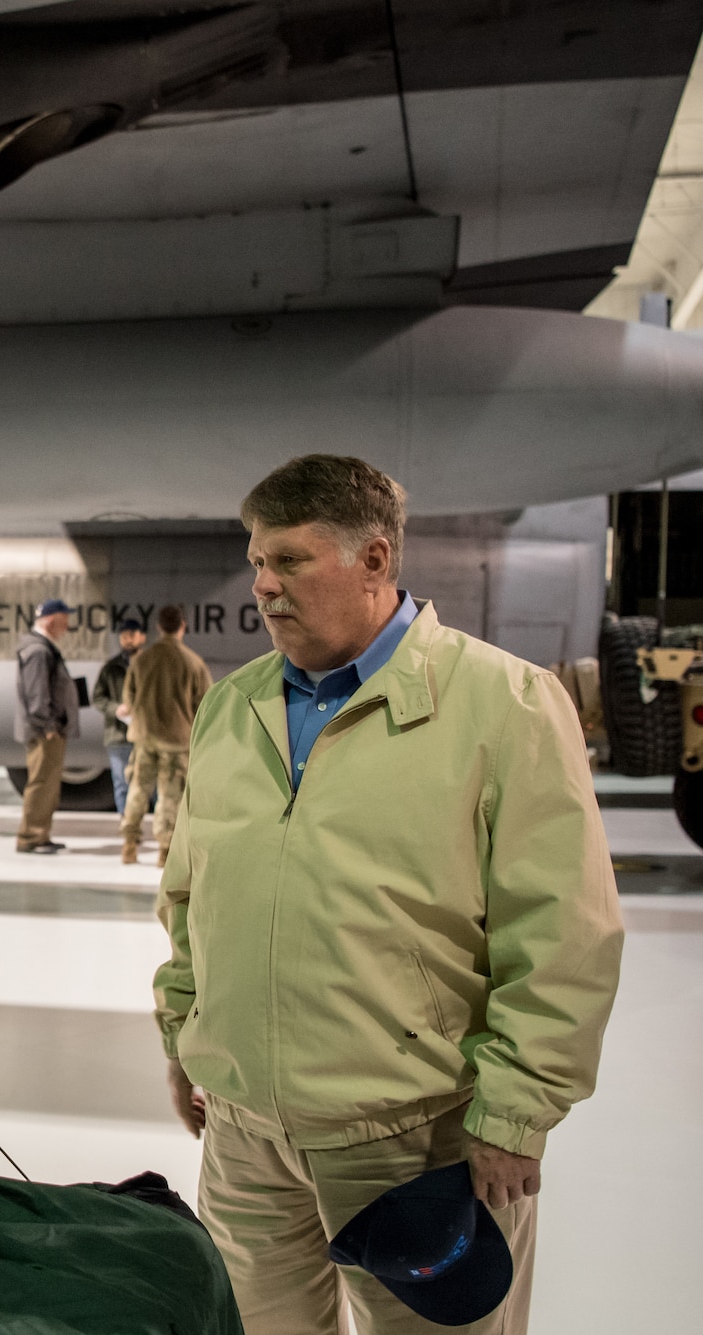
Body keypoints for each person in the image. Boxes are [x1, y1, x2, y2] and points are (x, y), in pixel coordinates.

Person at [154, 455, 623, 1335]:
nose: (262, 585)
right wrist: (185, 1033)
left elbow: (564, 932)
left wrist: (516, 1110)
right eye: (257, 559)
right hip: (247, 1143)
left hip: (416, 1144)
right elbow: (189, 897)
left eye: (290, 560)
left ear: (375, 561)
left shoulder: (505, 704)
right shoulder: (231, 708)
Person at [118, 605, 212, 867]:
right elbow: (204, 705)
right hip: (177, 741)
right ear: (182, 626)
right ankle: (165, 850)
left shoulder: (141, 660)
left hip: (145, 738)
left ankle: (129, 845)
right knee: (170, 796)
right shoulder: (193, 663)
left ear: (158, 627)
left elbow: (129, 699)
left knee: (137, 790)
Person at [12, 597, 78, 854]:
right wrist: (48, 725)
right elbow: (36, 694)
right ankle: (30, 836)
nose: (67, 625)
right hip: (44, 732)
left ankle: (40, 834)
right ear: (52, 620)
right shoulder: (39, 651)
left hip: (47, 730)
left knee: (48, 785)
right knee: (41, 784)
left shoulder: (42, 648)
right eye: (65, 619)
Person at [91, 618, 146, 814]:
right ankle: (126, 823)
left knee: (147, 781)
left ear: (142, 637)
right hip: (118, 734)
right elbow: (98, 697)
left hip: (145, 733)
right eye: (123, 637)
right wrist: (116, 708)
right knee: (121, 781)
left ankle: (145, 822)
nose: (127, 640)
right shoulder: (111, 667)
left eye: (131, 636)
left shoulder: (150, 666)